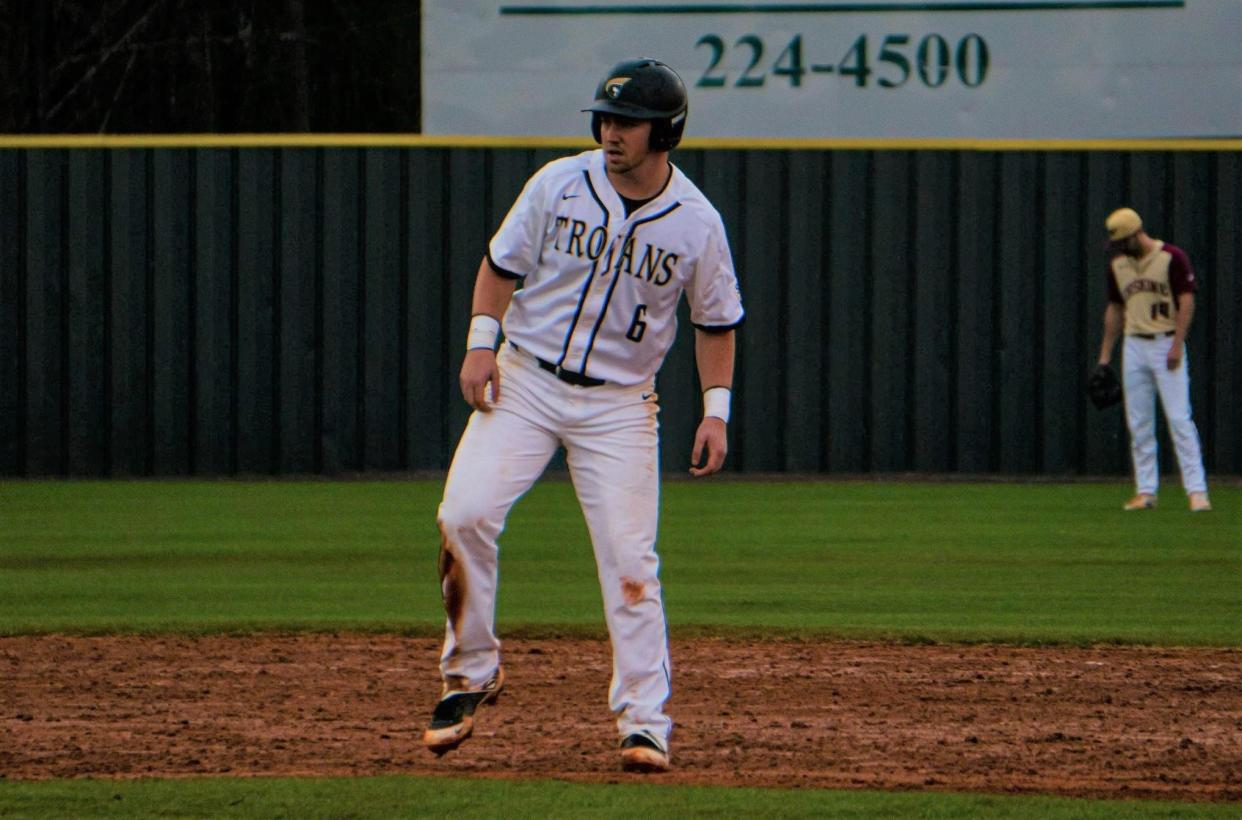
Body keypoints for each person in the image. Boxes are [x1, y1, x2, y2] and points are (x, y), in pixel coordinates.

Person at [422, 57, 745, 773]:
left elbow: (716, 320)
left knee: (631, 565)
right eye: (605, 118)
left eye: (626, 122)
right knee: (463, 514)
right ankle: (469, 675)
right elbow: (501, 266)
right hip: (526, 381)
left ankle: (645, 722)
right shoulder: (558, 183)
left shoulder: (695, 223)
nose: (610, 132)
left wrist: (715, 412)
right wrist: (481, 345)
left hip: (619, 406)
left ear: (666, 133)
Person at [1096, 207, 1211, 512]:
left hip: (1165, 342)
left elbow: (1187, 301)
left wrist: (1177, 344)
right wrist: (1105, 355)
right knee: (1139, 422)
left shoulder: (1171, 257)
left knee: (1178, 418)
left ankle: (1197, 491)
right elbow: (1115, 310)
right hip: (1134, 344)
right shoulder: (1119, 265)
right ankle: (1146, 491)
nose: (1119, 250)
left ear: (1136, 234)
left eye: (1123, 242)